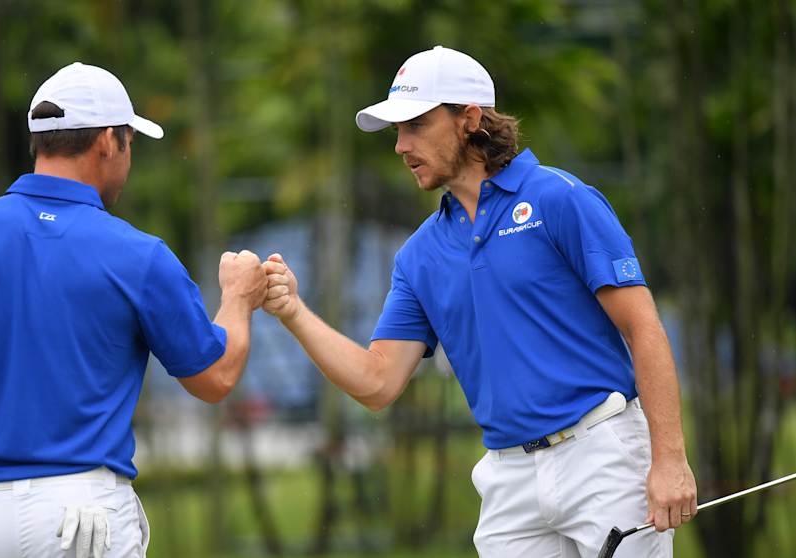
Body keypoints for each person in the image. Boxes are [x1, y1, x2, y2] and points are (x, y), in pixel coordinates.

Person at [261, 46, 697, 557]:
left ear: (469, 119)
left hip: (602, 453)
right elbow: (377, 382)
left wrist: (669, 459)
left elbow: (643, 328)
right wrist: (292, 310)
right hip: (507, 479)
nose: (401, 145)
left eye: (417, 125)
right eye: (397, 131)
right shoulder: (419, 255)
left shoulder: (561, 199)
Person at [0, 62, 267, 558]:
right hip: (86, 516)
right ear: (108, 141)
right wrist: (237, 298)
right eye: (130, 141)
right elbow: (215, 378)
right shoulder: (138, 254)